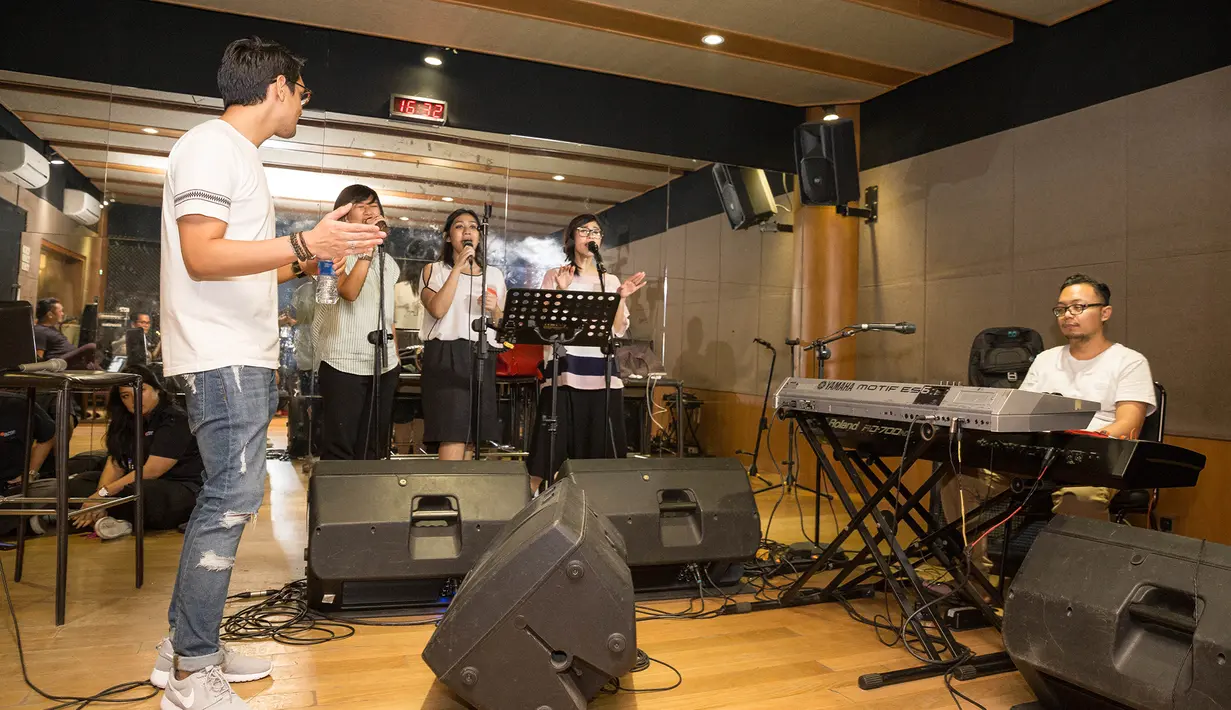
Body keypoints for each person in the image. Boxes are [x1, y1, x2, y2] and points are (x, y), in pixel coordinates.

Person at [155, 36, 383, 710]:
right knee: (228, 502)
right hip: (221, 356)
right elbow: (200, 255)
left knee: (225, 500)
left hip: (237, 353)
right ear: (278, 86)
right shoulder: (210, 146)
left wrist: (313, 254)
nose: (302, 106)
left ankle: (183, 648)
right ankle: (194, 672)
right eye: (302, 94)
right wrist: (305, 242)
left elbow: (242, 259)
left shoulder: (238, 157)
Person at [941, 273, 1156, 573]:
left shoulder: (1129, 362)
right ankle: (976, 581)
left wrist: (1076, 443)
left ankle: (1077, 588)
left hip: (1092, 463)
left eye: (1078, 307)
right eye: (1061, 309)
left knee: (1079, 496)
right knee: (960, 479)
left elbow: (1128, 426)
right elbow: (1023, 412)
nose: (1068, 315)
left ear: (1105, 313)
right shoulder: (1045, 360)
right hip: (1037, 458)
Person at [526, 214, 646, 490]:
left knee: (599, 455)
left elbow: (617, 330)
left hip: (602, 375)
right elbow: (545, 326)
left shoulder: (611, 279)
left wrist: (620, 297)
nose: (591, 235)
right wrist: (561, 290)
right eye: (584, 230)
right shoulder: (555, 275)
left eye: (596, 231)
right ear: (571, 238)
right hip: (565, 372)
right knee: (549, 453)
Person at [25, 365, 204, 540]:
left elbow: (152, 471)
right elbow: (116, 463)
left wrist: (104, 495)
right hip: (135, 481)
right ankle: (110, 521)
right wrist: (99, 497)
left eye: (141, 391)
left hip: (179, 488)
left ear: (157, 389)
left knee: (137, 492)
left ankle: (72, 517)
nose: (134, 400)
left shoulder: (175, 419)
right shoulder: (127, 421)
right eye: (126, 396)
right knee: (80, 482)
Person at [312, 184, 401, 460]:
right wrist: (365, 251)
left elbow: (389, 315)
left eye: (374, 206)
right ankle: (335, 503)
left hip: (383, 364)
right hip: (342, 362)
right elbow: (348, 292)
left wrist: (395, 356)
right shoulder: (330, 254)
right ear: (344, 216)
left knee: (374, 448)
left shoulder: (389, 263)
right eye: (361, 206)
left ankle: (367, 503)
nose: (370, 211)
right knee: (340, 448)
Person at [419, 208, 507, 460]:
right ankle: (444, 496)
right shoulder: (433, 270)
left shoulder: (495, 275)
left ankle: (461, 497)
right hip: (446, 354)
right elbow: (437, 308)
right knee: (453, 432)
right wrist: (457, 268)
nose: (467, 231)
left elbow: (503, 326)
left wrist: (496, 309)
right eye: (459, 226)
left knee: (471, 438)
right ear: (448, 236)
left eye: (473, 226)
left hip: (482, 355)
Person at [34, 298, 97, 368]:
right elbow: (38, 357)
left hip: (69, 360)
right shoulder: (39, 331)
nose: (62, 314)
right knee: (91, 347)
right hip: (57, 363)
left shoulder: (51, 328)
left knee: (94, 364)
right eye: (60, 311)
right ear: (50, 314)